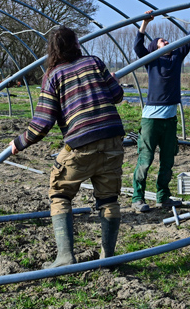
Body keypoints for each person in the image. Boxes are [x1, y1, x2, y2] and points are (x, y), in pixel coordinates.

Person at [10, 25, 125, 268]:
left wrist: (19, 143)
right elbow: (117, 96)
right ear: (76, 44)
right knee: (108, 199)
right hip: (113, 139)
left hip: (81, 142)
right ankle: (109, 258)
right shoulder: (95, 62)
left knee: (60, 193)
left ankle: (64, 257)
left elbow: (43, 121)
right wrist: (112, 81)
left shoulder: (53, 76)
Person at [131, 8, 190, 213]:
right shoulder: (152, 60)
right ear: (155, 47)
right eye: (163, 41)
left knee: (167, 161)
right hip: (151, 121)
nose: (167, 42)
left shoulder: (176, 59)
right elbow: (137, 46)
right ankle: (138, 197)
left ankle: (163, 197)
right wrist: (145, 22)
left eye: (167, 41)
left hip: (170, 120)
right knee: (145, 160)